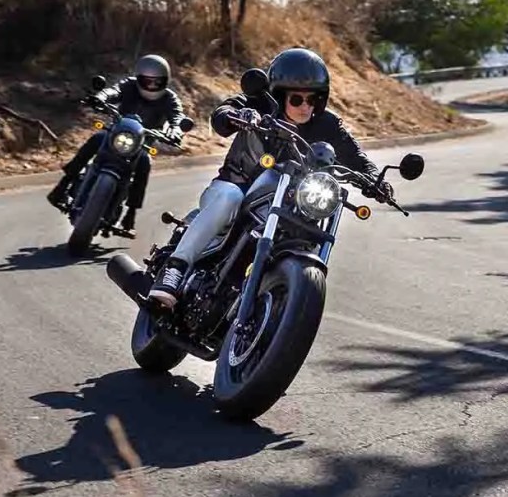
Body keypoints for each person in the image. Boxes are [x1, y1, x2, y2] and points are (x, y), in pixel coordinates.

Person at [147, 46, 393, 308]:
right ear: (279, 94)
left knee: (311, 219)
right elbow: (223, 113)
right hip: (236, 190)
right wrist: (235, 116)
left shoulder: (328, 124)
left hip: (289, 201)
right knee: (229, 195)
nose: (305, 106)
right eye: (296, 99)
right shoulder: (258, 105)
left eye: (312, 99)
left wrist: (375, 179)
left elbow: (355, 156)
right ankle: (175, 268)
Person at [47, 54, 185, 237]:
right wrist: (100, 97)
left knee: (145, 162)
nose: (151, 86)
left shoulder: (170, 98)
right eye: (147, 81)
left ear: (165, 81)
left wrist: (175, 130)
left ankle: (130, 214)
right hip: (116, 133)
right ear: (139, 79)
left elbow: (177, 117)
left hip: (142, 144)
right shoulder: (129, 85)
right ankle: (62, 186)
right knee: (96, 139)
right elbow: (113, 91)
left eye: (156, 82)